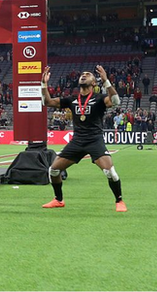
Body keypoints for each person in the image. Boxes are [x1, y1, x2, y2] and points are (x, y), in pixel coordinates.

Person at [41, 65, 127, 212]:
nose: (84, 75)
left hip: (95, 140)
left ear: (94, 82)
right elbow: (46, 102)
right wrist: (43, 84)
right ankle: (59, 200)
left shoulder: (99, 98)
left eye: (88, 74)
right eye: (82, 74)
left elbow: (116, 101)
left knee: (110, 172)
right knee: (53, 170)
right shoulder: (72, 99)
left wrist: (106, 81)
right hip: (77, 141)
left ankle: (119, 200)